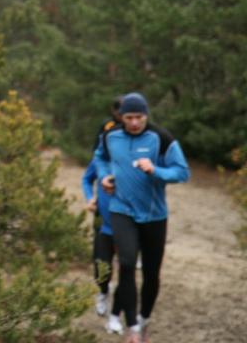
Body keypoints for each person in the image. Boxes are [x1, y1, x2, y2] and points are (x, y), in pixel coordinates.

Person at [94, 92, 189, 343]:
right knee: (126, 264)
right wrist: (104, 177)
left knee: (151, 273)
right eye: (129, 117)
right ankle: (132, 326)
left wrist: (156, 170)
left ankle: (144, 319)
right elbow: (100, 158)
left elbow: (182, 172)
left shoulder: (161, 138)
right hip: (121, 210)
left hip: (154, 215)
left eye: (139, 117)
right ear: (121, 117)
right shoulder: (110, 136)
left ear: (146, 115)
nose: (134, 122)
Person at [81, 160, 123, 335]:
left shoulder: (133, 156)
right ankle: (103, 291)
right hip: (103, 223)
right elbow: (86, 179)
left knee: (126, 272)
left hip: (128, 224)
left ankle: (115, 316)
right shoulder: (100, 156)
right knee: (101, 266)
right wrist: (90, 198)